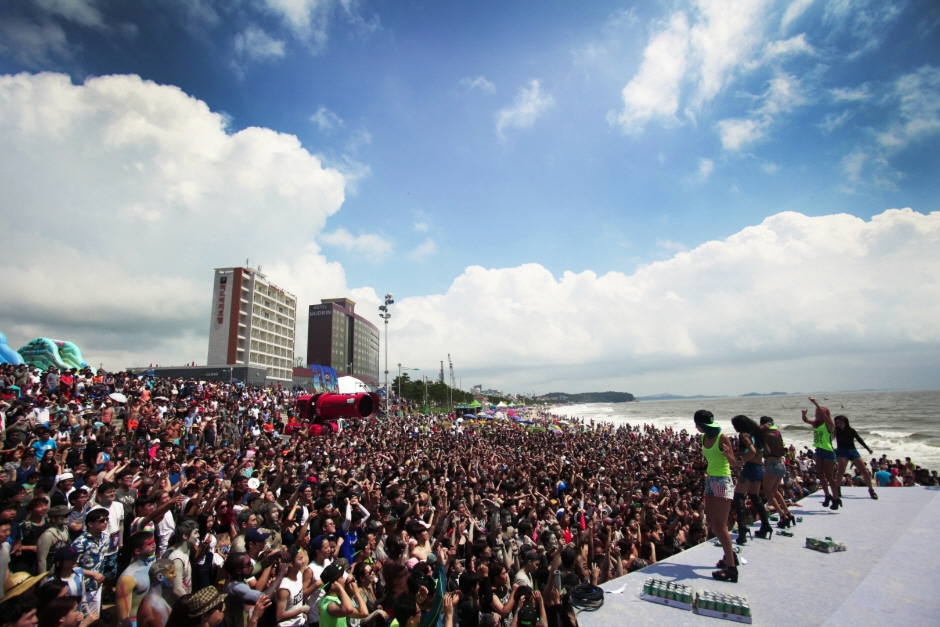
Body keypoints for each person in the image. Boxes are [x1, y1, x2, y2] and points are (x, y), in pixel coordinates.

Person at [693, 410, 738, 583]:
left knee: (721, 524)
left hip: (722, 480)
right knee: (711, 521)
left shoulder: (722, 437)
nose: (695, 426)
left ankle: (732, 568)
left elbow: (733, 463)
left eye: (696, 423)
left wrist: (727, 454)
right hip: (711, 479)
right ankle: (729, 554)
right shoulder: (703, 438)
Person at [730, 415, 773, 542]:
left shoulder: (744, 435)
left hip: (750, 467)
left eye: (735, 425)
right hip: (759, 468)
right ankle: (766, 525)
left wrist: (741, 461)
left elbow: (752, 451)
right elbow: (767, 450)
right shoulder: (757, 435)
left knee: (738, 495)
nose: (734, 427)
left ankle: (742, 530)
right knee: (754, 496)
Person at [802, 397, 840, 510]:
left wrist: (815, 403)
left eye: (818, 413)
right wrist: (803, 414)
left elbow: (825, 417)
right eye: (816, 413)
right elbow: (805, 420)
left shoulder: (829, 425)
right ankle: (827, 495)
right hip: (819, 451)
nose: (816, 414)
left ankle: (836, 498)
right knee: (821, 476)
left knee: (829, 477)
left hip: (828, 452)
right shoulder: (816, 424)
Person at [71, 508, 109, 614]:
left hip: (96, 585)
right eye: (101, 521)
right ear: (90, 524)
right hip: (83, 588)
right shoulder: (80, 543)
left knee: (94, 617)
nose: (105, 522)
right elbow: (71, 566)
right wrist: (92, 574)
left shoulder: (103, 538)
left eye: (106, 519)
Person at [758, 417, 793, 528]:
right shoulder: (777, 432)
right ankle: (788, 512)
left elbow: (754, 432)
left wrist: (761, 428)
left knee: (768, 492)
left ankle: (782, 515)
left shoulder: (765, 433)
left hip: (772, 463)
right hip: (781, 463)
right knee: (775, 490)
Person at [116, 532, 157, 625]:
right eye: (149, 544)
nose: (154, 545)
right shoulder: (127, 578)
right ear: (137, 551)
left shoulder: (149, 566)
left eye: (154, 542)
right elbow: (123, 617)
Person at [833, 415, 878, 500]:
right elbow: (829, 438)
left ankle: (871, 490)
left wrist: (868, 449)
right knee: (841, 470)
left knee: (865, 471)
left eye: (840, 423)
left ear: (845, 422)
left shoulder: (851, 430)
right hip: (842, 451)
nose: (838, 424)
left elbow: (859, 439)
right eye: (837, 423)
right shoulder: (835, 430)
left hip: (853, 451)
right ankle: (837, 489)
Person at [164, 519, 198, 604]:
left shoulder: (186, 553)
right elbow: (177, 589)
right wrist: (192, 605)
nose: (198, 535)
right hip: (176, 607)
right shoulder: (177, 559)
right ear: (185, 536)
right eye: (196, 533)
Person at [275, 546, 310, 627]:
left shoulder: (300, 575)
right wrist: (301, 610)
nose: (303, 561)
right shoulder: (284, 588)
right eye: (300, 559)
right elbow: (279, 617)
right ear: (290, 563)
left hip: (301, 623)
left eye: (303, 557)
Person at [136, 560, 175, 627]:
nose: (175, 575)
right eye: (171, 573)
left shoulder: (150, 598)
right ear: (160, 577)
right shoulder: (158, 607)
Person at [36, 506, 72, 573]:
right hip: (51, 572)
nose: (67, 517)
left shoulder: (65, 528)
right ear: (53, 519)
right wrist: (43, 579)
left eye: (68, 515)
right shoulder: (48, 534)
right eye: (64, 515)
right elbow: (41, 560)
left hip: (64, 570)